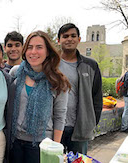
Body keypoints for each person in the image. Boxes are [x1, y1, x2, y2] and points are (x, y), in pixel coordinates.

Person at [9, 30, 70, 163]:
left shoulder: (58, 81)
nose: (33, 52)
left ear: (47, 51)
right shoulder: (16, 72)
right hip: (15, 142)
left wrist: (54, 149)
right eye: (30, 47)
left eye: (39, 47)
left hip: (42, 145)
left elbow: (60, 116)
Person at [57, 23, 103, 155]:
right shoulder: (51, 64)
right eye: (65, 36)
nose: (69, 39)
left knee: (79, 159)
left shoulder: (91, 65)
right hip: (55, 126)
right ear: (59, 40)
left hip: (80, 127)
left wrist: (92, 122)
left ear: (79, 39)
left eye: (73, 36)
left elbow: (97, 97)